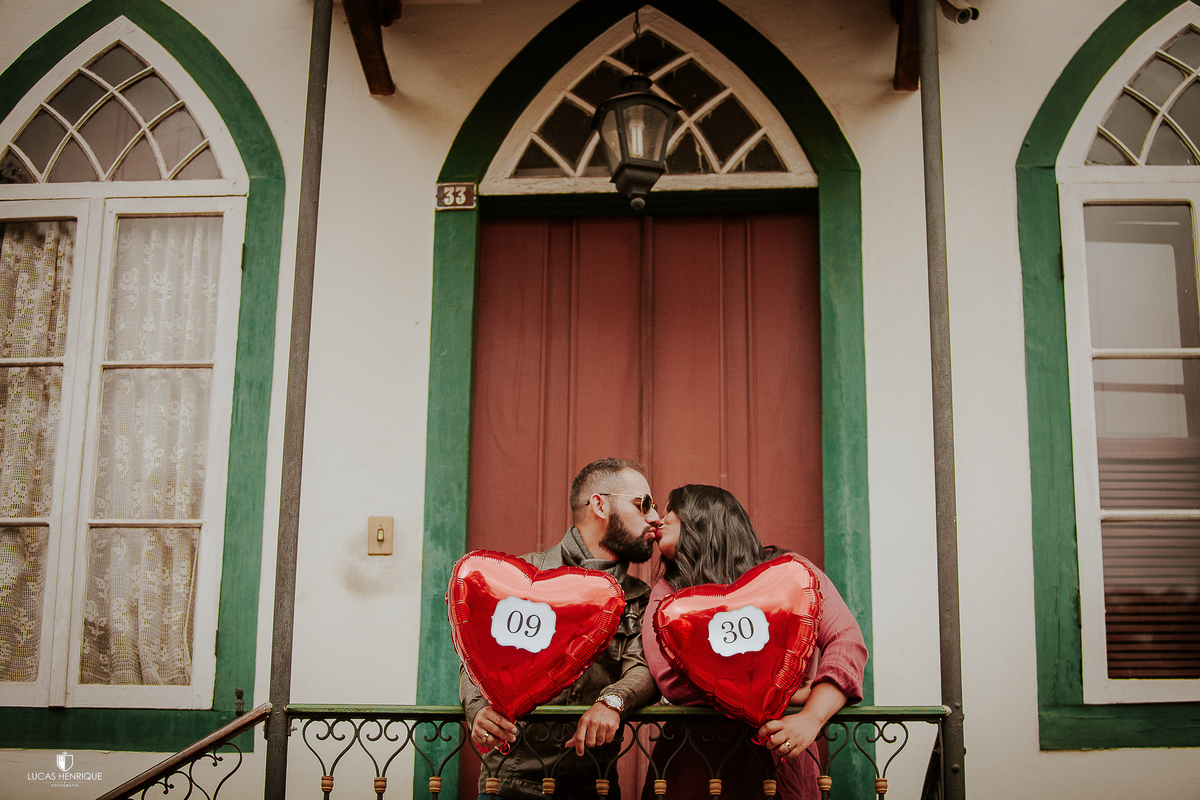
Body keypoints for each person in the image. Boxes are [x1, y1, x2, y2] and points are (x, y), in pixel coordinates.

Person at [641, 485, 868, 800]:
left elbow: (847, 641)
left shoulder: (792, 573)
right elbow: (670, 680)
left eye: (669, 513)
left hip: (781, 752)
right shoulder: (668, 595)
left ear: (702, 518)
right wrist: (791, 691)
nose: (657, 522)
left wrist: (811, 718)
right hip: (696, 762)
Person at [461, 457, 662, 800]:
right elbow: (477, 655)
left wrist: (611, 702)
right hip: (508, 785)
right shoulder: (523, 577)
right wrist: (476, 707)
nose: (655, 518)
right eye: (643, 504)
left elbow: (641, 667)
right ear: (599, 504)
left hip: (594, 787)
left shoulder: (639, 598)